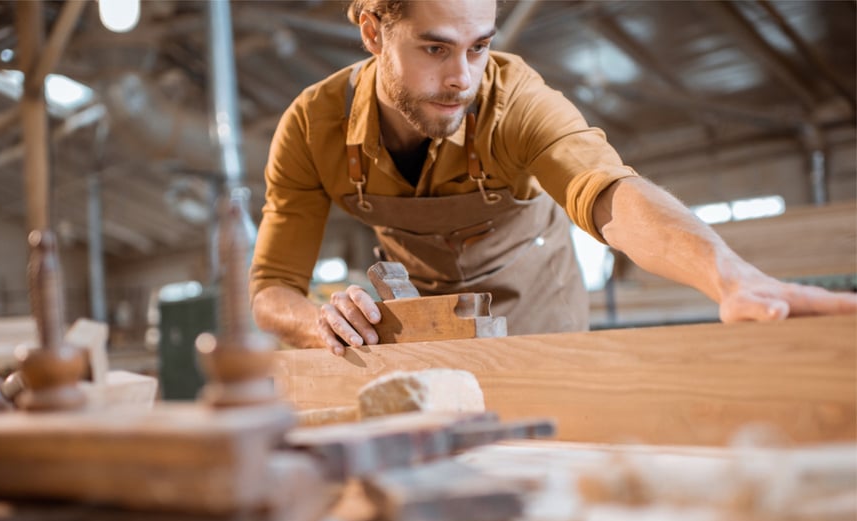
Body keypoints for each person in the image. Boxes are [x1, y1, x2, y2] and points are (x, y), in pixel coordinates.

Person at [249, 0, 857, 356]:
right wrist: (319, 320)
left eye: (479, 46)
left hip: (541, 318)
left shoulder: (515, 102)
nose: (463, 78)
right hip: (422, 335)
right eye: (435, 50)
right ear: (373, 32)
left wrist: (732, 281)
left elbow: (612, 193)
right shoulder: (311, 127)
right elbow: (273, 286)